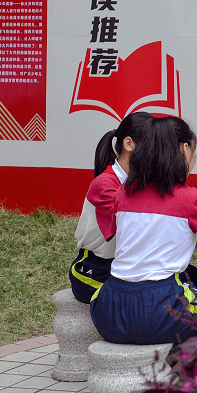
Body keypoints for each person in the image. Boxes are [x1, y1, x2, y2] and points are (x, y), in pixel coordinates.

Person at [90, 116, 197, 344]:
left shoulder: (123, 193)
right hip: (155, 314)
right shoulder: (191, 198)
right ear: (185, 149)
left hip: (108, 312)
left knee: (191, 278)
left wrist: (196, 229)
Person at [68, 112, 155, 304]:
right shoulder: (105, 184)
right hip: (95, 271)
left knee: (189, 276)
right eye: (153, 145)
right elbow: (139, 229)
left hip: (127, 268)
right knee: (150, 302)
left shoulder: (143, 182)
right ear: (129, 144)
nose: (159, 153)